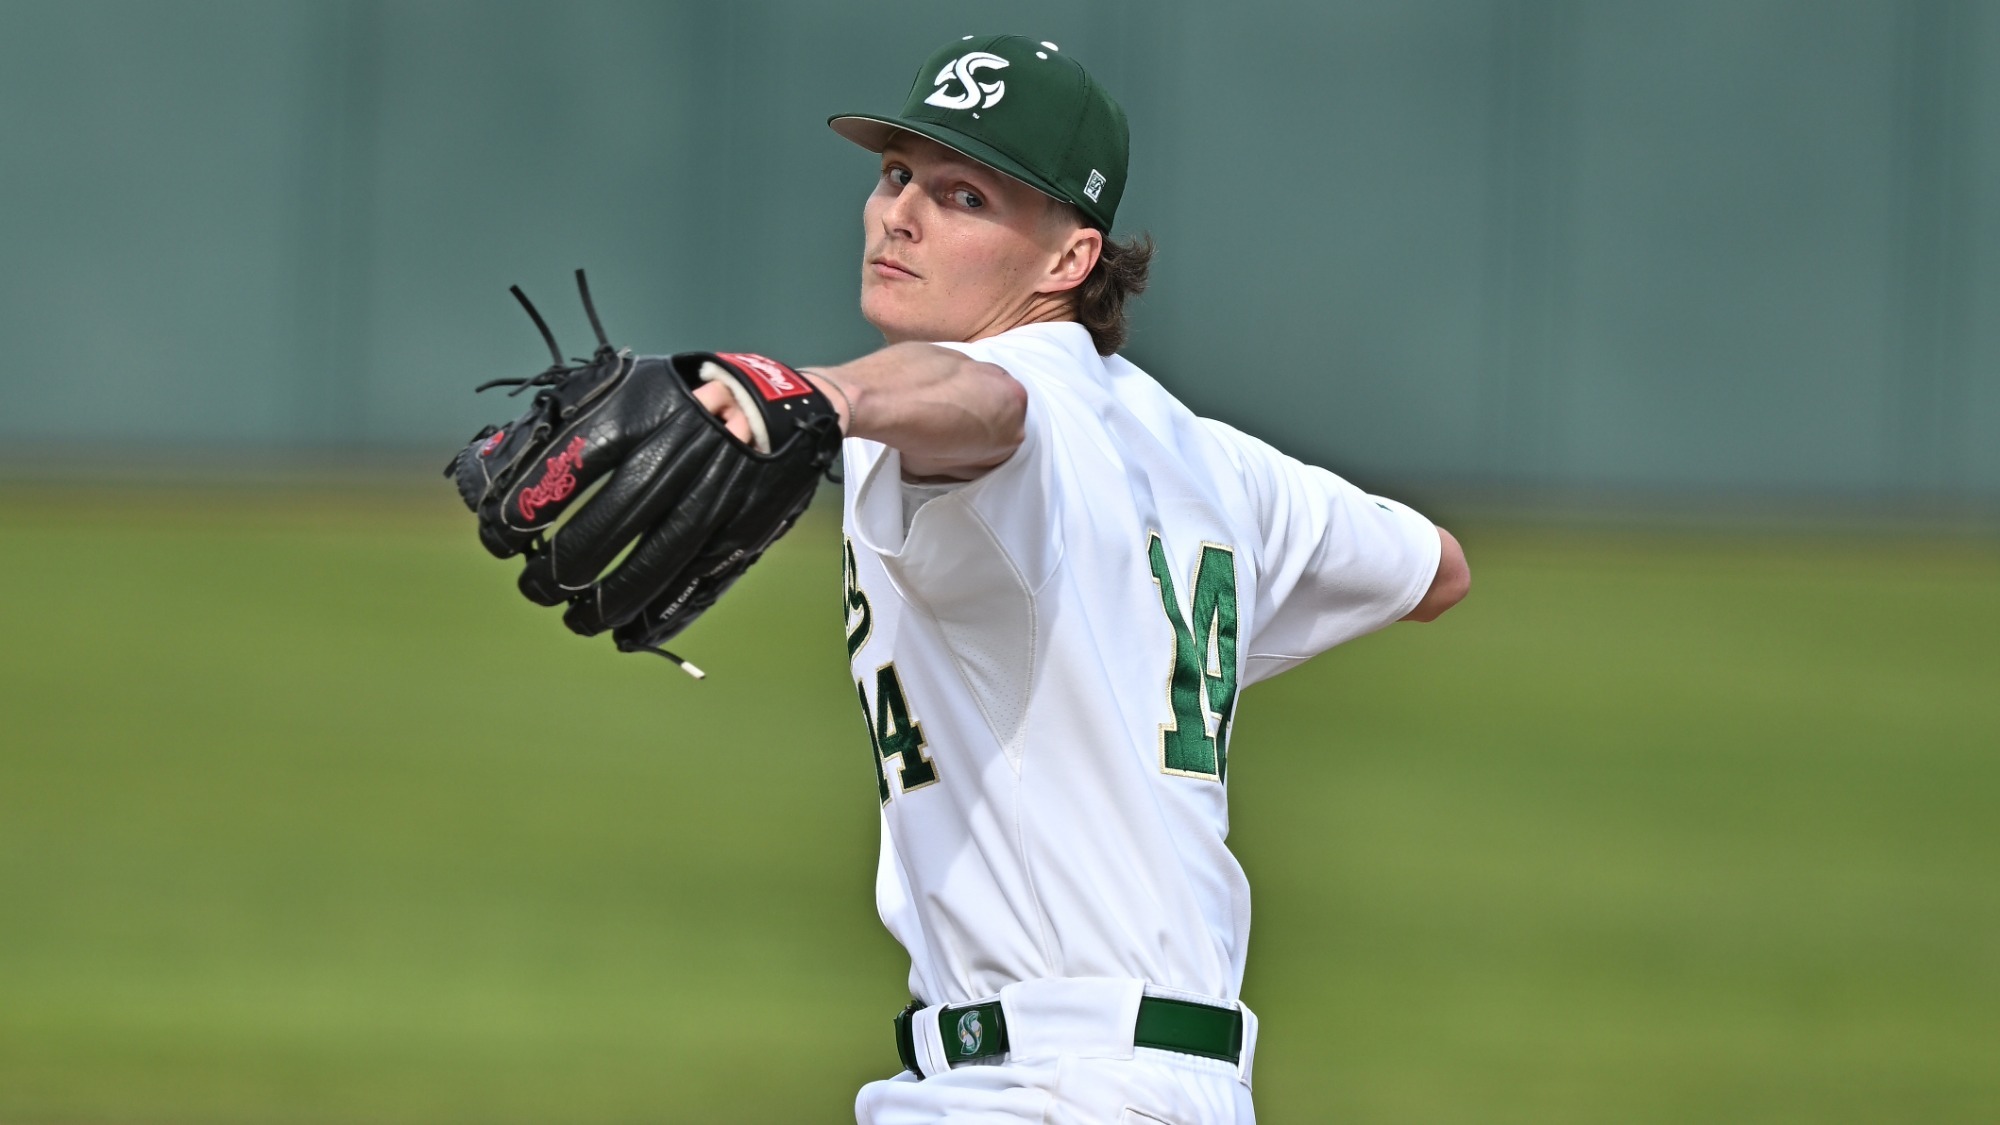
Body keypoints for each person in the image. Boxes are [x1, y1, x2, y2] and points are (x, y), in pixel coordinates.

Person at [693, 33, 1469, 1125]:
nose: (898, 215)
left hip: (1039, 1085)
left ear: (1068, 260)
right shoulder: (1212, 460)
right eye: (896, 173)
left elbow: (991, 411)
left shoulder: (980, 403)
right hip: (1176, 1081)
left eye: (964, 196)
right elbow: (1435, 566)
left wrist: (820, 392)